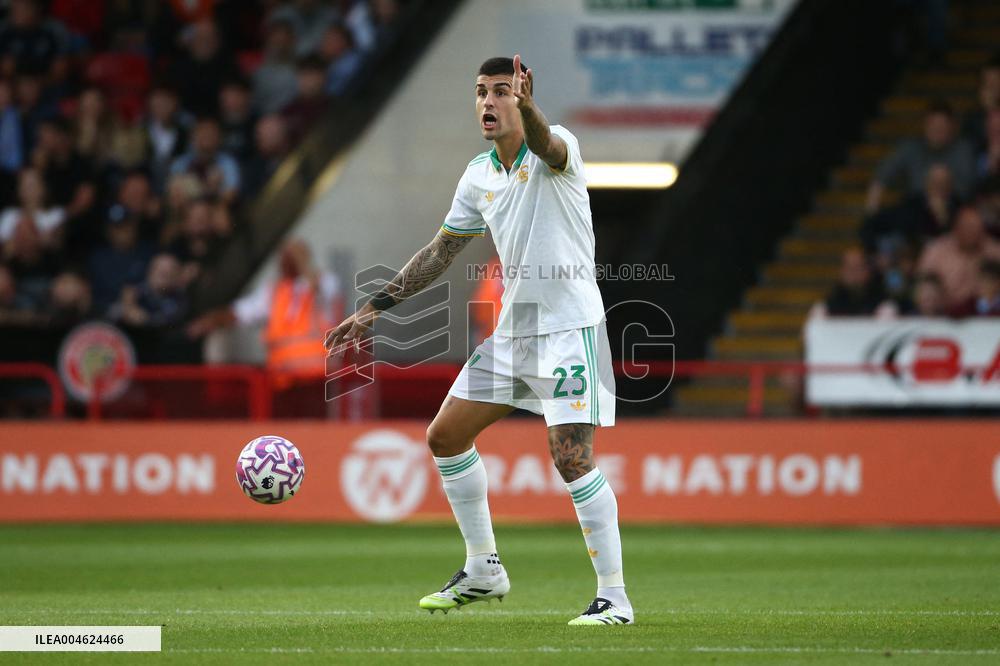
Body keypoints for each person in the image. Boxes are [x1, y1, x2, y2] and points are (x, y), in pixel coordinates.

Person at [325, 56, 629, 626]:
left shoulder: (557, 147)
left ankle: (614, 598)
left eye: (501, 92)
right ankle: (483, 569)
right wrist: (374, 307)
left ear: (523, 97)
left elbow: (546, 144)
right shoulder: (477, 176)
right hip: (515, 332)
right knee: (444, 436)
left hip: (570, 329)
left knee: (571, 458)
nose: (488, 102)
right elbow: (440, 252)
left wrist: (531, 108)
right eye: (481, 92)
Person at [187, 239, 341, 414]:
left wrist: (303, 262)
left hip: (316, 379)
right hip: (282, 380)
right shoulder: (274, 292)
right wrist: (210, 320)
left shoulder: (323, 283)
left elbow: (324, 290)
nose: (286, 261)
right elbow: (241, 312)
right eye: (284, 257)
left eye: (292, 256)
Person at [866, 101, 976, 212]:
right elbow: (883, 174)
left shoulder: (963, 149)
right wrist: (872, 208)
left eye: (942, 126)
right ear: (925, 126)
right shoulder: (911, 148)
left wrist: (941, 187)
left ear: (951, 127)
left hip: (954, 208)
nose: (937, 131)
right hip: (916, 208)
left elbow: (966, 187)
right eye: (933, 126)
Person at [917, 206, 1000, 309]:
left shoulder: (995, 252)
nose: (973, 233)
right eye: (968, 228)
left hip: (987, 313)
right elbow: (921, 286)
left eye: (977, 228)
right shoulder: (936, 251)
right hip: (942, 314)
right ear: (956, 228)